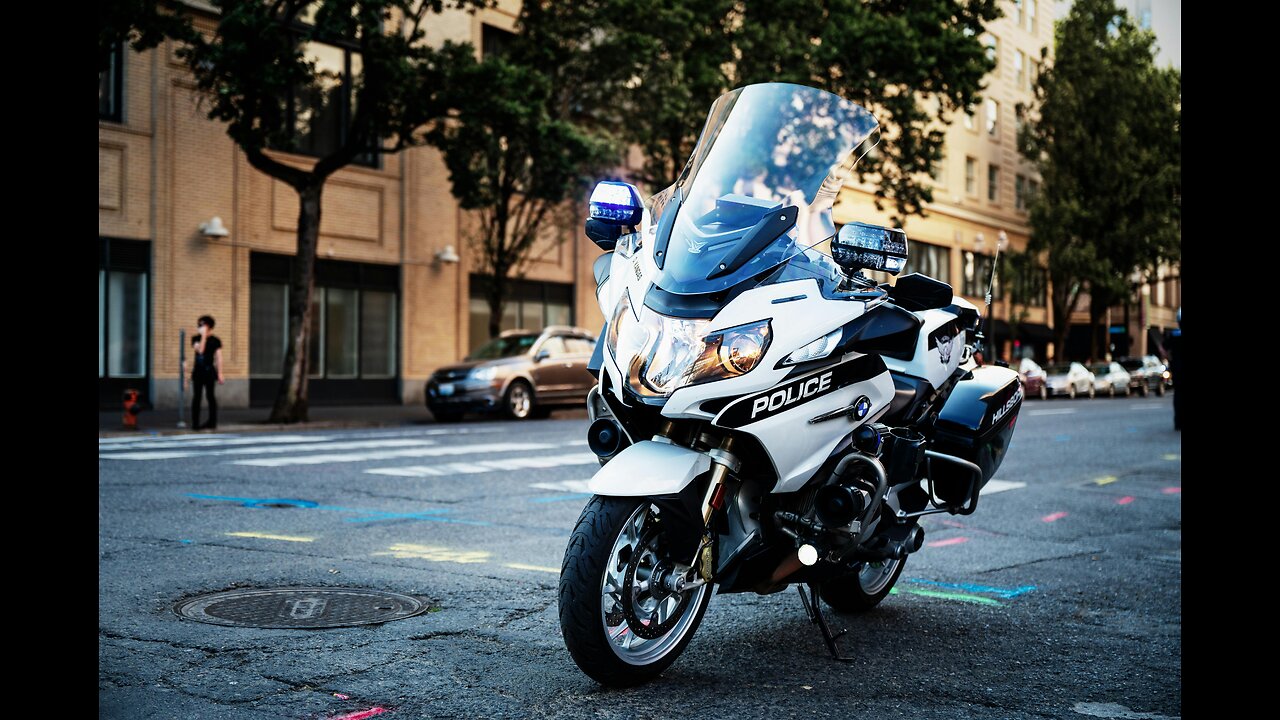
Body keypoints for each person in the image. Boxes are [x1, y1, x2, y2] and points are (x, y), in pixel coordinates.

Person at [189, 315, 224, 430]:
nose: (199, 327)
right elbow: (200, 350)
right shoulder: (195, 338)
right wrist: (203, 336)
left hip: (209, 371)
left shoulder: (215, 340)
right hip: (198, 372)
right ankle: (195, 424)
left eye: (202, 324)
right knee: (197, 397)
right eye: (199, 324)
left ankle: (212, 422)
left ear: (209, 326)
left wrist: (220, 373)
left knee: (211, 397)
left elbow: (219, 357)